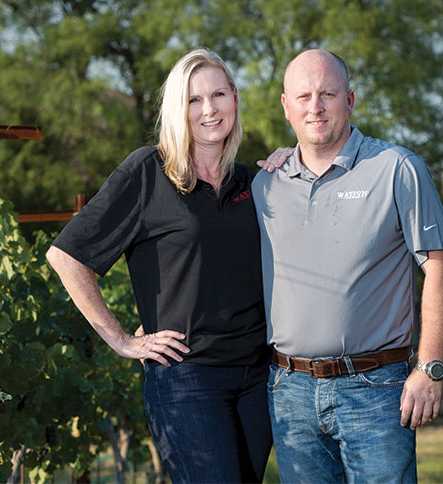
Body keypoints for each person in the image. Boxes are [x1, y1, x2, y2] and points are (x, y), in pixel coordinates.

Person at [46, 48, 274, 483]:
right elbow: (66, 255)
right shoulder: (149, 172)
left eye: (218, 94)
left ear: (235, 99)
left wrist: (290, 161)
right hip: (187, 378)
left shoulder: (253, 181)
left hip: (257, 377)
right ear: (176, 109)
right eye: (193, 99)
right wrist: (119, 340)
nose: (209, 109)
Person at [251, 49, 443, 483]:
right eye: (303, 96)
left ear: (350, 99)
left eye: (327, 94)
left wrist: (430, 367)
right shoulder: (265, 183)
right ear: (285, 106)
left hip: (376, 388)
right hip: (288, 389)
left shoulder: (396, 169)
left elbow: (442, 268)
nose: (315, 107)